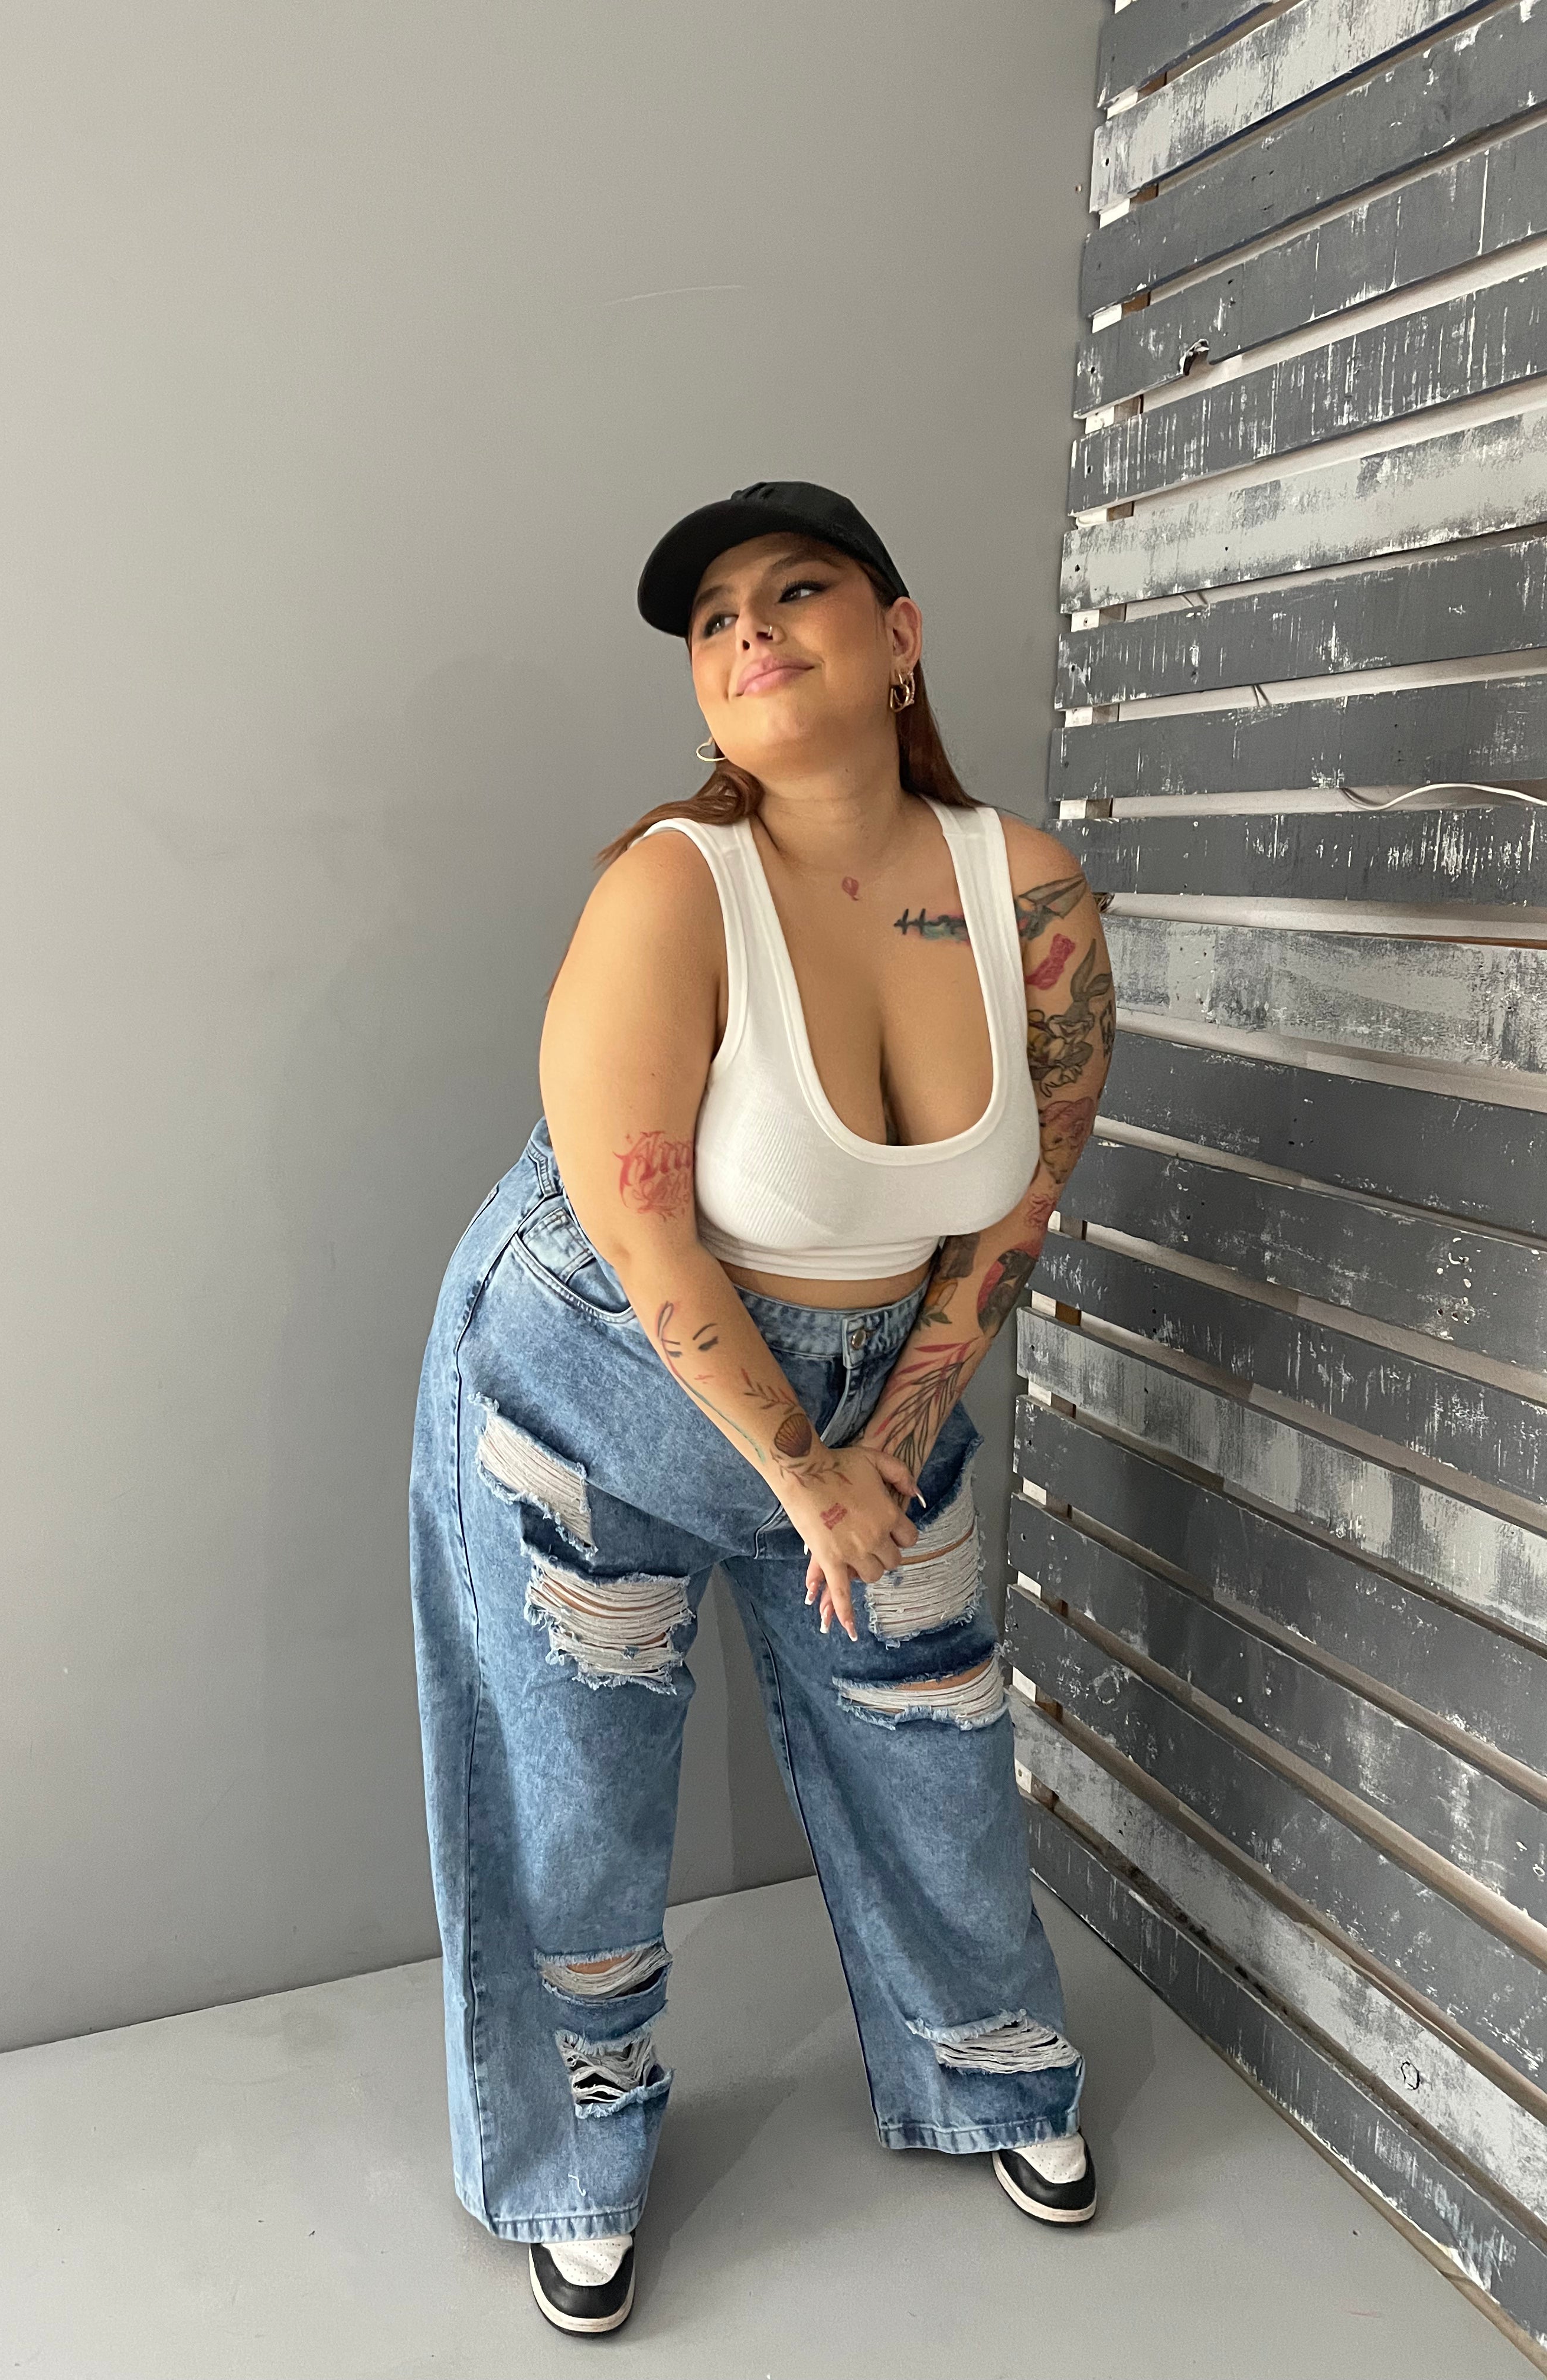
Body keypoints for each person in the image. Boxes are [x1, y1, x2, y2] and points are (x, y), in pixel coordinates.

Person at [409, 480, 1114, 2336]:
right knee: (574, 1793)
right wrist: (806, 1476)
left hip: (880, 1393)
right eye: (714, 619)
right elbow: (641, 1230)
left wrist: (892, 1445)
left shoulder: (1028, 893)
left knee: (933, 1740)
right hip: (593, 1383)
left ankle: (987, 2068)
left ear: (899, 638)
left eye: (797, 590)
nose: (750, 631)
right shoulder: (671, 885)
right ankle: (577, 2159)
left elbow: (1019, 1202)